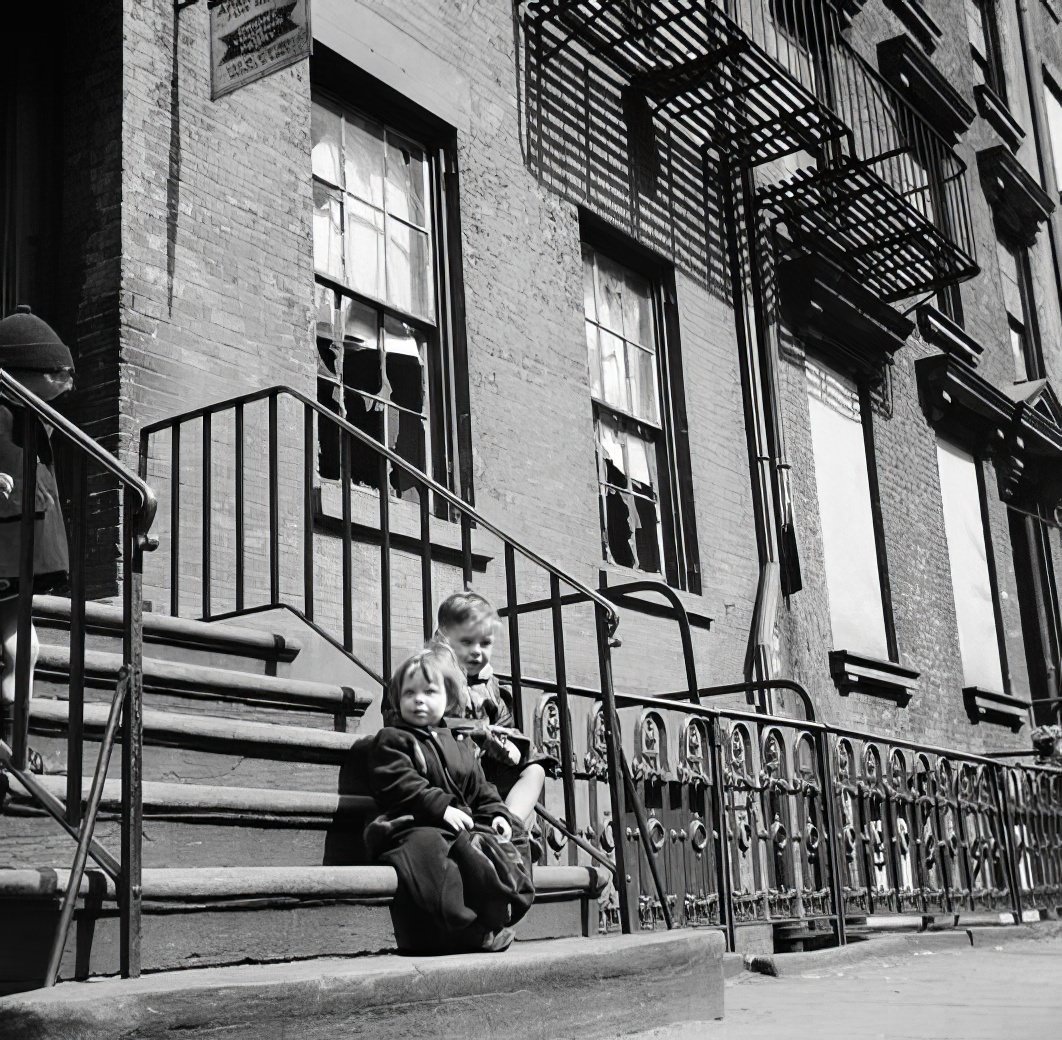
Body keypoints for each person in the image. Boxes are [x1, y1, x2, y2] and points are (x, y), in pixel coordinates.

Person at [364, 646, 533, 954]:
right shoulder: (393, 740)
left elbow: (481, 788)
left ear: (449, 698)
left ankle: (501, 909)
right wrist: (440, 807)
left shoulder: (462, 742)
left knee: (505, 838)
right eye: (409, 692)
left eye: (429, 691)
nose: (418, 699)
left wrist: (496, 813)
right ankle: (464, 927)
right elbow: (400, 782)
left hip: (459, 823)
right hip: (408, 824)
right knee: (432, 850)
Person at [0, 306, 75, 766]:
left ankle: (13, 741)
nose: (44, 407)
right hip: (5, 543)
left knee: (24, 647)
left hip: (14, 548)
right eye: (36, 394)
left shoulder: (32, 421)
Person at [435, 591, 551, 829]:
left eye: (485, 643)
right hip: (442, 768)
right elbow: (422, 724)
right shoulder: (428, 675)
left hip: (483, 772)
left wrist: (508, 745)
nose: (477, 651)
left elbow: (504, 727)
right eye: (467, 642)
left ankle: (507, 824)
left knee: (535, 768)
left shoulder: (492, 687)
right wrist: (478, 730)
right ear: (444, 638)